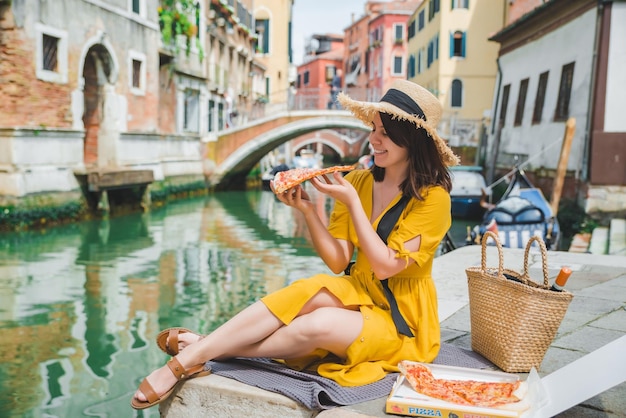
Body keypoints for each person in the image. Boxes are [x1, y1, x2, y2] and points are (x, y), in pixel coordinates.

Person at [131, 79, 460, 410]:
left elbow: (386, 265)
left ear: (412, 139)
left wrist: (354, 205)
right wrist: (308, 210)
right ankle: (202, 351)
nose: (373, 139)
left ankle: (195, 353)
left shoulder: (434, 199)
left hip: (402, 320)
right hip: (360, 291)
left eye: (385, 133)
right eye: (374, 128)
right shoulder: (358, 181)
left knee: (318, 323)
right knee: (306, 290)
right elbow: (338, 261)